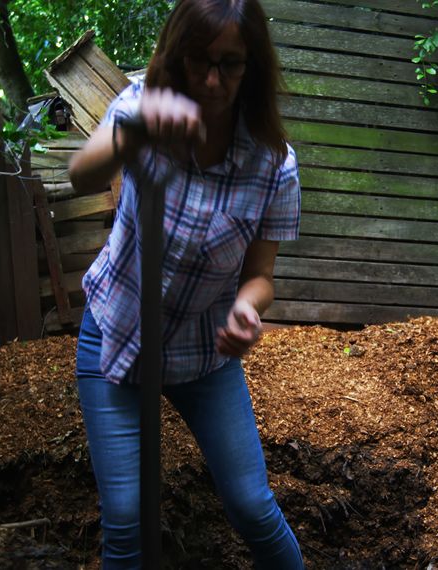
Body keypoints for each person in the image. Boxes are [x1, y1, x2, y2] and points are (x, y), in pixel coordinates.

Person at [66, 0, 304, 567]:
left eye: (231, 63)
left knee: (251, 504)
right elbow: (80, 176)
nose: (213, 79)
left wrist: (248, 309)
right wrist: (136, 134)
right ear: (179, 55)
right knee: (126, 517)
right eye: (200, 60)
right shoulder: (140, 107)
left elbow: (260, 277)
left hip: (204, 359)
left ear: (253, 68)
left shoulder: (274, 166)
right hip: (116, 338)